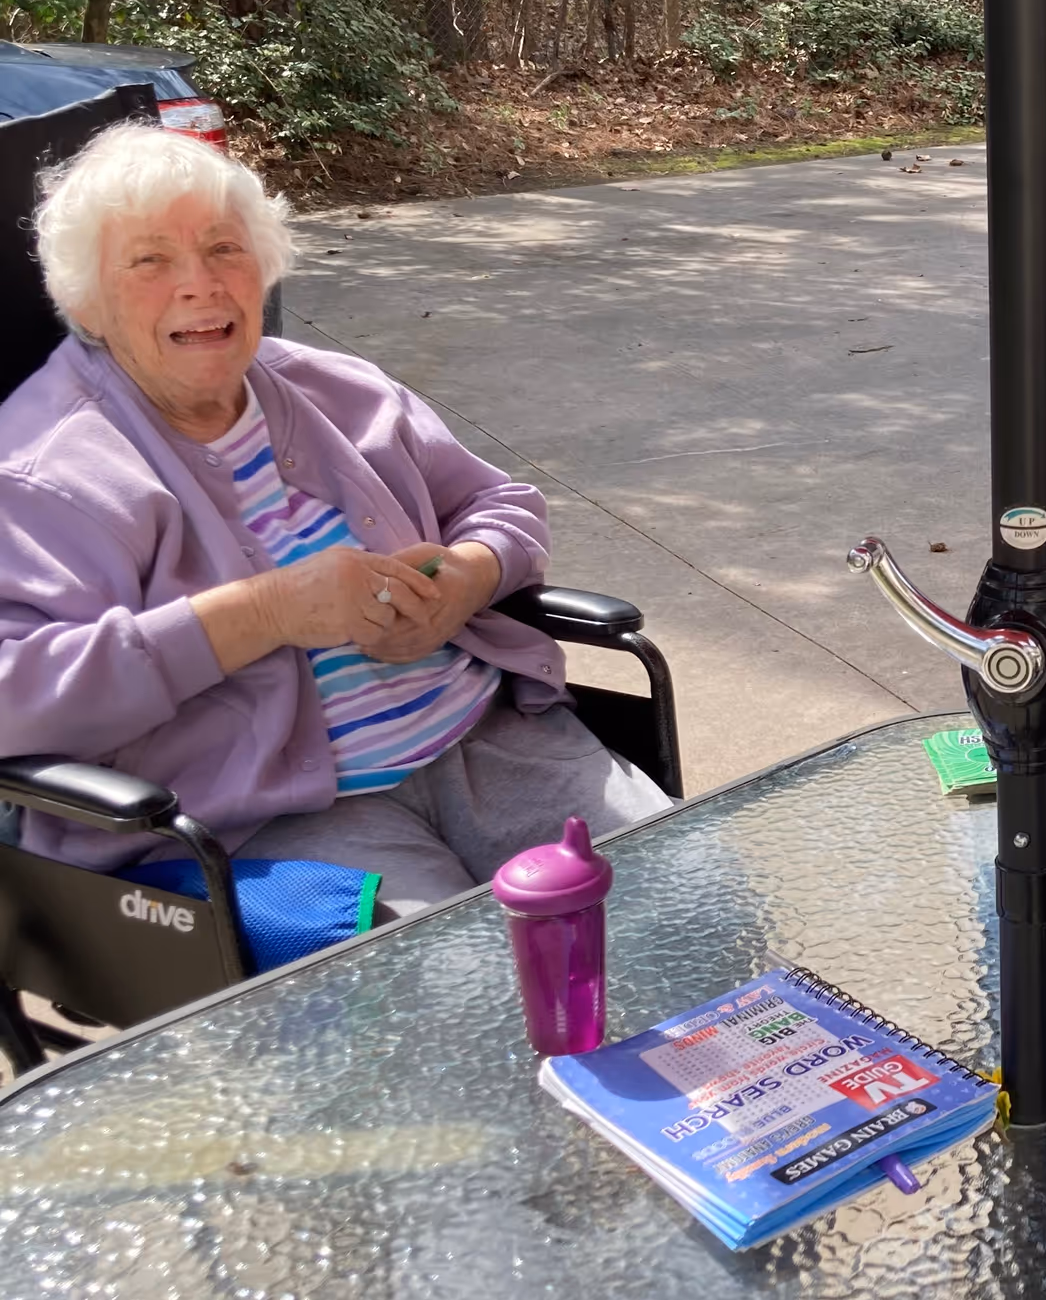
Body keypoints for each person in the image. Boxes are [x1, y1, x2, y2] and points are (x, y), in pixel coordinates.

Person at [0, 123, 668, 913]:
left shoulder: (339, 392)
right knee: (472, 990)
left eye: (224, 248)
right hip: (270, 821)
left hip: (489, 743)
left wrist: (467, 576)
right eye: (150, 261)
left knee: (696, 894)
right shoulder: (44, 470)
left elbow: (502, 505)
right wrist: (266, 611)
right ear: (85, 298)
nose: (201, 285)